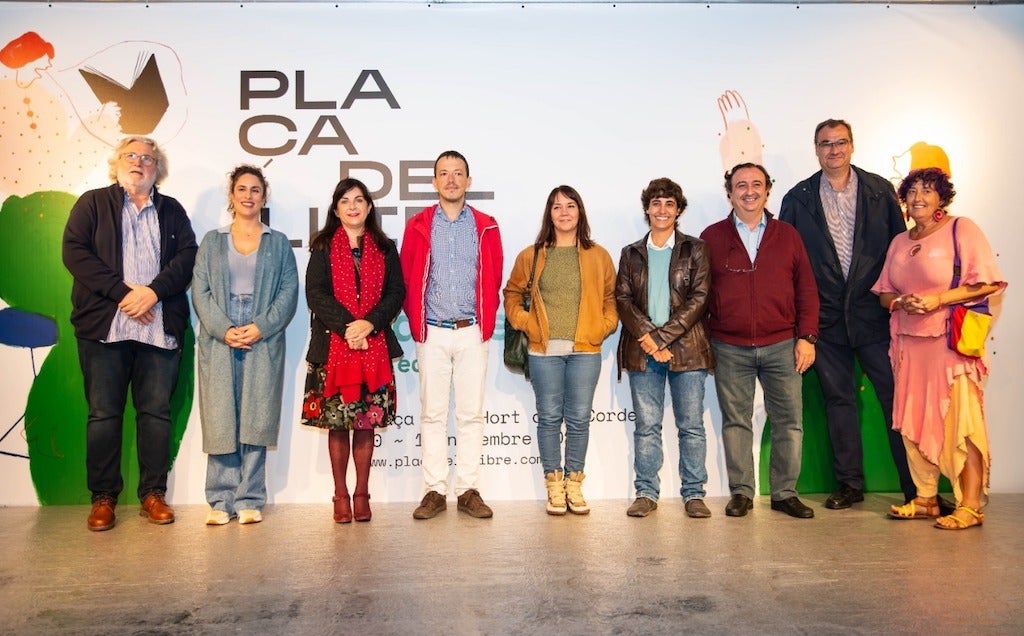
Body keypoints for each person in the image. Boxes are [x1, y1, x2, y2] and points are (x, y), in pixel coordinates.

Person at [779, 118, 917, 510]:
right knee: (839, 402)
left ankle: (916, 489)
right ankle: (850, 486)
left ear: (852, 146)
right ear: (816, 149)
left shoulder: (879, 191)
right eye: (825, 144)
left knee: (895, 399)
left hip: (874, 316)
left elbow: (900, 250)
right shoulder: (798, 197)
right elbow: (787, 261)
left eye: (840, 142)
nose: (833, 150)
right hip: (824, 322)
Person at [62, 136, 197, 531]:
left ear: (158, 169)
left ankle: (153, 494)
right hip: (105, 329)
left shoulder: (172, 211)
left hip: (158, 328)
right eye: (131, 156)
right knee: (104, 414)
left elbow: (187, 258)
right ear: (117, 162)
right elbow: (74, 253)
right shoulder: (92, 203)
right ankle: (103, 499)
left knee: (155, 414)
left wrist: (152, 293)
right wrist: (125, 295)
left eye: (148, 159)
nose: (139, 163)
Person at [872, 167, 1005, 530]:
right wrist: (902, 302)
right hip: (909, 347)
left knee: (961, 422)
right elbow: (884, 294)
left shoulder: (962, 229)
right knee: (913, 422)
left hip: (950, 346)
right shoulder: (900, 242)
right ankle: (926, 498)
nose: (918, 198)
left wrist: (937, 300)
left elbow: (987, 283)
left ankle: (971, 506)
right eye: (912, 191)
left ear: (941, 198)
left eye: (927, 191)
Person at [700, 163, 820, 519]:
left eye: (756, 184)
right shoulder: (711, 236)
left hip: (783, 344)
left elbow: (807, 290)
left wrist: (807, 337)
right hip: (728, 346)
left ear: (768, 190)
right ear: (730, 192)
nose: (749, 191)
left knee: (788, 421)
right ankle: (741, 493)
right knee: (736, 421)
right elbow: (700, 294)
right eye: (741, 185)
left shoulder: (788, 235)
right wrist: (706, 338)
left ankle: (784, 493)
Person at [192, 166, 298, 526]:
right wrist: (223, 328)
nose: (248, 195)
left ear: (263, 197)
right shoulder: (211, 241)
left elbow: (288, 292)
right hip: (220, 335)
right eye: (242, 189)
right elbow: (201, 291)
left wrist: (261, 326)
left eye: (255, 189)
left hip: (261, 334)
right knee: (221, 417)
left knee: (256, 416)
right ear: (231, 196)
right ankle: (220, 500)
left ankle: (250, 498)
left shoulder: (278, 242)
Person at [400, 150, 503, 520]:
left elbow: (494, 276)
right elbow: (409, 276)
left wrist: (486, 321)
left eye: (458, 173)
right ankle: (434, 491)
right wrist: (418, 323)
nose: (451, 179)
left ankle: (469, 489)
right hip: (433, 334)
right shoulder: (418, 225)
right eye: (444, 173)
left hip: (472, 331)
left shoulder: (486, 224)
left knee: (472, 414)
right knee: (432, 414)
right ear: (434, 182)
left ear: (469, 182)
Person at [503, 185, 617, 516]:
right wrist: (527, 323)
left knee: (579, 418)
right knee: (550, 418)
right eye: (556, 207)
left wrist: (604, 326)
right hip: (543, 352)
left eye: (570, 206)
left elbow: (611, 298)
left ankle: (574, 485)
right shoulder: (533, 254)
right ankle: (554, 485)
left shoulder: (598, 255)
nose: (564, 212)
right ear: (548, 214)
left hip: (586, 349)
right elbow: (511, 294)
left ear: (580, 211)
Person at [301, 178, 405, 523]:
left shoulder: (386, 248)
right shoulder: (323, 247)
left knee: (365, 423)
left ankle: (362, 493)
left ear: (369, 207)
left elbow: (396, 293)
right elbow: (315, 294)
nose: (353, 206)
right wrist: (349, 326)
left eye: (359, 200)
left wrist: (369, 324)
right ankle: (340, 495)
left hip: (372, 345)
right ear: (336, 210)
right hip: (333, 347)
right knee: (337, 423)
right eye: (345, 201)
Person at [615, 178, 715, 519]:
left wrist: (662, 337)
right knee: (647, 426)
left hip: (687, 351)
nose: (662, 210)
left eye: (669, 204)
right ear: (647, 208)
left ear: (679, 210)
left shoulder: (695, 249)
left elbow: (699, 299)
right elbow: (623, 300)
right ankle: (646, 493)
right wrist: (648, 337)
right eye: (656, 203)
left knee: (691, 426)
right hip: (642, 351)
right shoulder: (630, 253)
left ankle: (694, 494)